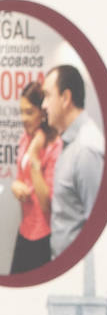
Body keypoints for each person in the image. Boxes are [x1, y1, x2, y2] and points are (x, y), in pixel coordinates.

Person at [40, 64, 104, 258]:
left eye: (47, 95)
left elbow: (97, 227)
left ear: (65, 98)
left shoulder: (86, 149)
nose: (43, 105)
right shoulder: (70, 142)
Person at [8, 80, 62, 274]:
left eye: (29, 112)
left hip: (43, 237)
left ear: (43, 112)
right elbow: (20, 179)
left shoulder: (55, 147)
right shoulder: (26, 137)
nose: (24, 118)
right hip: (25, 230)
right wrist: (16, 185)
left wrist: (35, 156)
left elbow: (47, 204)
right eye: (21, 111)